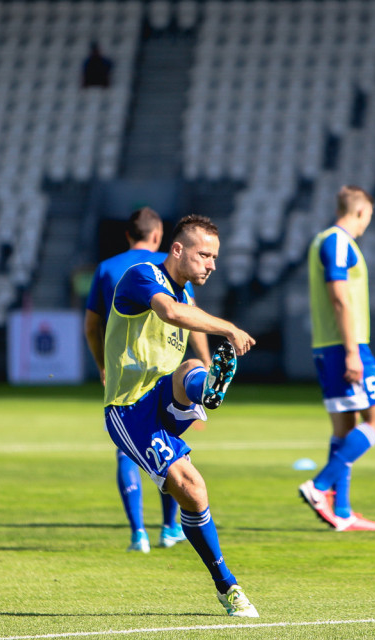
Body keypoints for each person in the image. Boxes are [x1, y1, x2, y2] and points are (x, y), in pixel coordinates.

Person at [102, 214, 259, 617]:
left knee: (191, 369)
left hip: (162, 393)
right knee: (194, 489)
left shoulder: (186, 297)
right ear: (177, 249)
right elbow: (170, 313)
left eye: (215, 257)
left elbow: (187, 324)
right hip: (130, 408)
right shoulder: (142, 275)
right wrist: (229, 328)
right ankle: (227, 585)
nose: (212, 264)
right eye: (205, 254)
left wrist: (206, 383)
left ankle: (204, 388)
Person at [84, 207, 211, 553]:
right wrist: (205, 366)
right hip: (162, 381)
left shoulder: (107, 267)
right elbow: (191, 317)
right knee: (169, 451)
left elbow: (92, 326)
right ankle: (170, 528)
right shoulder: (167, 268)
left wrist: (103, 366)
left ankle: (138, 533)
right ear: (160, 237)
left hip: (125, 378)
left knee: (128, 455)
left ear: (128, 235)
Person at [298, 186, 375, 532]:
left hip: (329, 345)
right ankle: (319, 486)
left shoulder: (324, 239)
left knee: (345, 428)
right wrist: (353, 350)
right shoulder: (337, 242)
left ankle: (344, 510)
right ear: (361, 212)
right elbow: (338, 298)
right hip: (344, 346)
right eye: (368, 216)